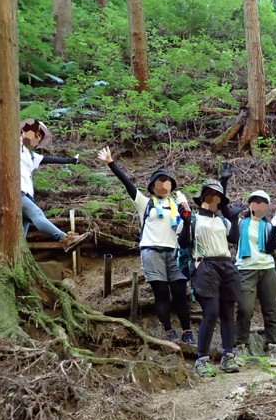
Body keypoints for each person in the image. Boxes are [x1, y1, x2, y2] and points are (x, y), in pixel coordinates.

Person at [97, 146, 193, 345]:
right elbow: (128, 185)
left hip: (175, 252)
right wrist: (110, 163)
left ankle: (187, 331)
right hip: (151, 251)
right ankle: (168, 330)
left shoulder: (177, 205)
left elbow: (184, 238)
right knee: (161, 293)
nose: (164, 185)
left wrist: (188, 218)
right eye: (160, 182)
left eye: (167, 182)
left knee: (180, 293)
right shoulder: (145, 203)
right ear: (152, 186)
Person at [179, 178, 242, 377]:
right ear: (203, 198)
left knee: (228, 313)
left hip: (226, 264)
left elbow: (233, 240)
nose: (214, 199)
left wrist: (233, 219)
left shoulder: (222, 220)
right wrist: (187, 220)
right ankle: (202, 359)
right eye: (210, 195)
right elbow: (184, 243)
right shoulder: (195, 218)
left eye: (217, 197)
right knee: (211, 312)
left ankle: (228, 356)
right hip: (205, 265)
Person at [20, 119, 91, 252]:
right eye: (36, 134)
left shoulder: (30, 155)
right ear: (25, 131)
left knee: (20, 238)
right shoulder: (11, 144)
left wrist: (71, 161)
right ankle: (66, 239)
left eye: (40, 137)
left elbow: (48, 160)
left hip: (28, 194)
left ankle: (16, 263)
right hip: (15, 192)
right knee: (37, 213)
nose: (38, 139)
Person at [234, 190, 276, 367]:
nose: (258, 206)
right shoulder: (240, 223)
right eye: (255, 202)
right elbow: (232, 237)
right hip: (245, 269)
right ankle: (240, 346)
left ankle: (272, 347)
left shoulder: (270, 226)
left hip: (267, 268)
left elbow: (270, 248)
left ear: (267, 207)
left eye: (263, 203)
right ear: (250, 205)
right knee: (245, 308)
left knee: (271, 310)